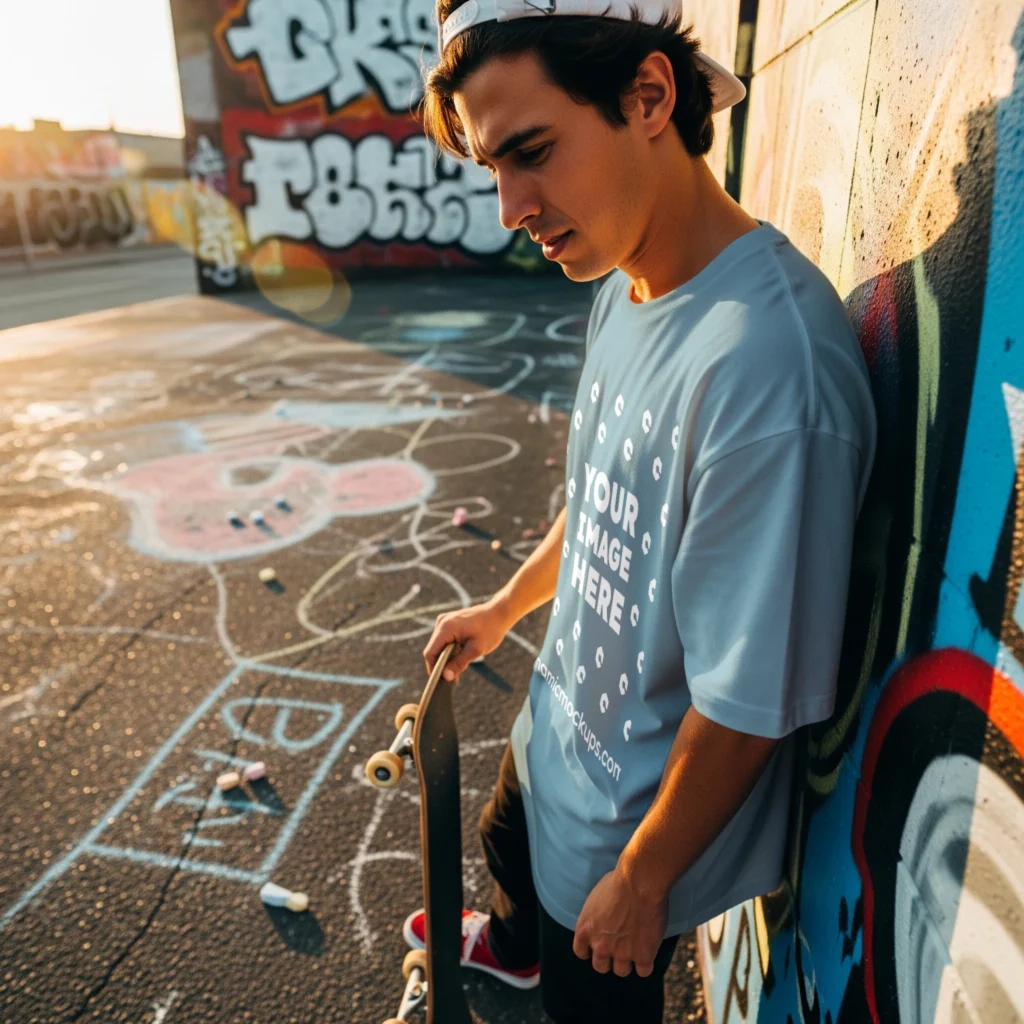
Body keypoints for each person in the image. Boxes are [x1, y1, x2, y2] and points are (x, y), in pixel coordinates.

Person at [412, 2, 878, 1021]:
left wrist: (643, 877)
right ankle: (512, 949)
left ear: (650, 96)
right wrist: (504, 608)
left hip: (622, 843)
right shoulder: (623, 285)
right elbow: (603, 500)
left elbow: (752, 697)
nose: (510, 207)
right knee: (500, 840)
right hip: (553, 741)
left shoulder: (767, 368)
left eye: (532, 152)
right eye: (493, 168)